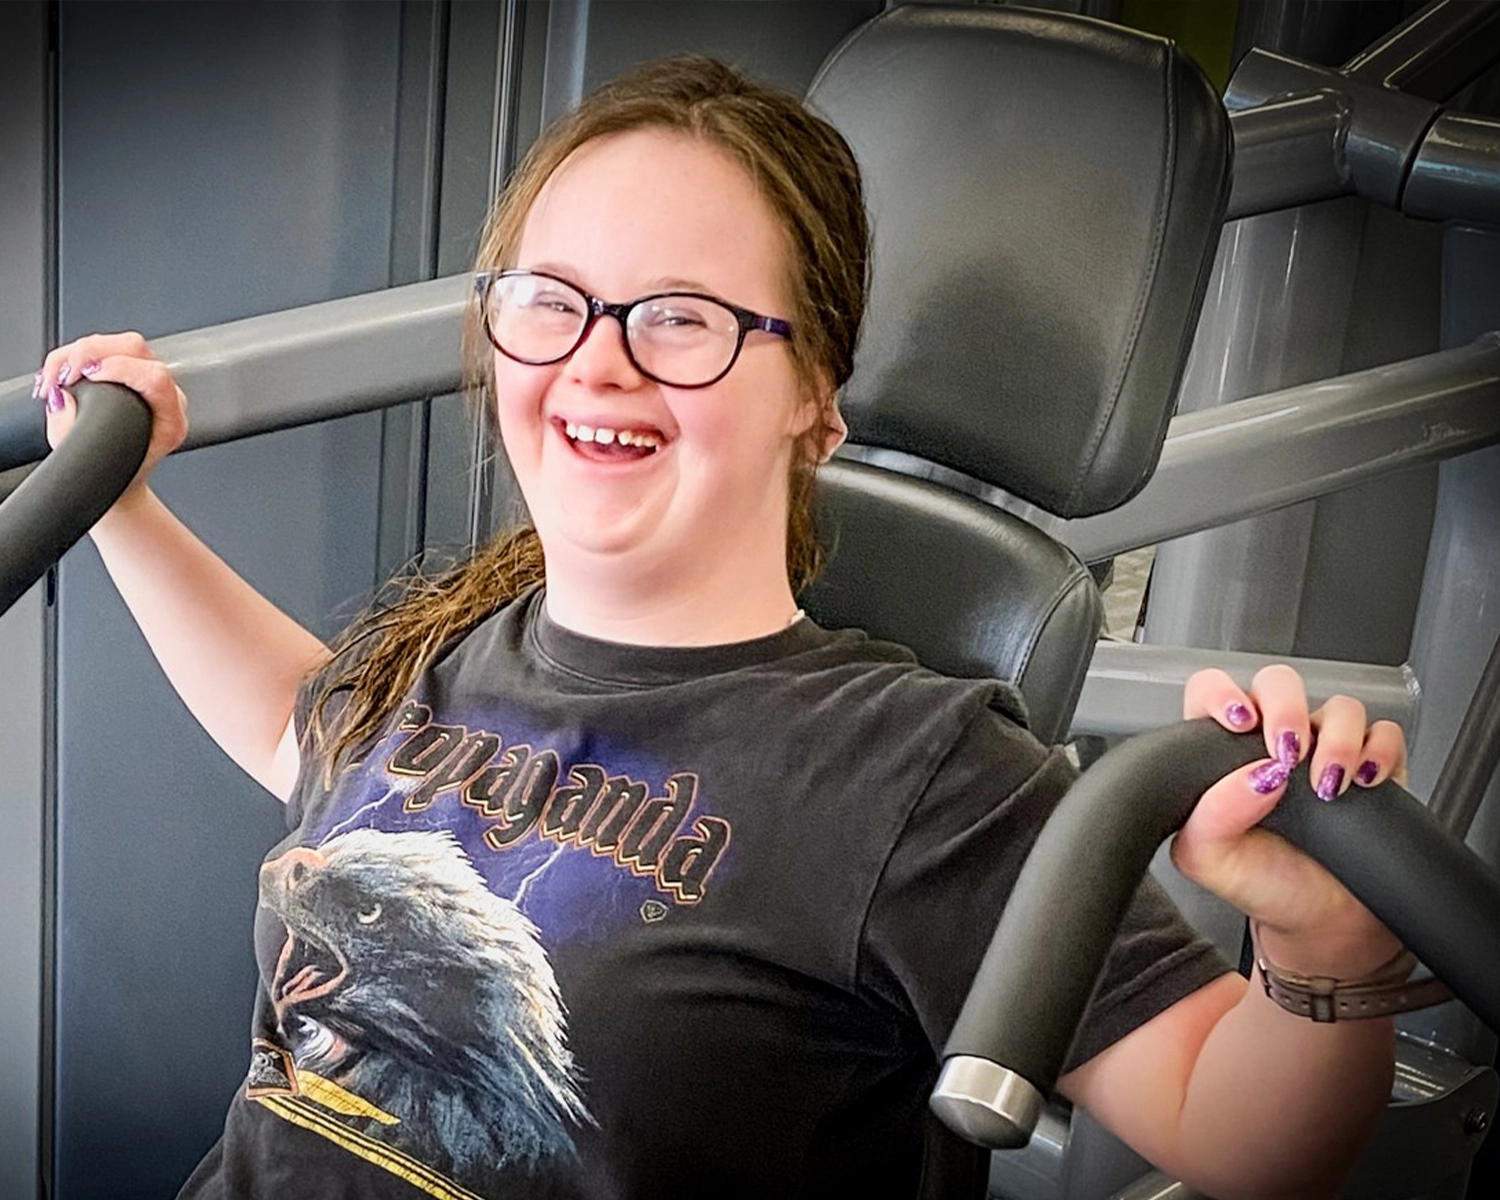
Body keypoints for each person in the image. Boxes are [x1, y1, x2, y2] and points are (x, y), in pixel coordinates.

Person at [36, 56, 1413, 1200]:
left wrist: (1327, 959)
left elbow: (1235, 1130)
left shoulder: (913, 772)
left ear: (815, 392)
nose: (599, 359)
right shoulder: (452, 638)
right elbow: (300, 730)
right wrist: (121, 505)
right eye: (552, 302)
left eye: (681, 318)